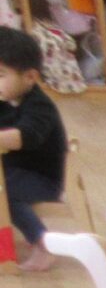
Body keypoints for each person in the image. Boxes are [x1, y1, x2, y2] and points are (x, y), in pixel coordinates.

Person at [0, 26, 66, 274]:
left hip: (42, 180)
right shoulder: (3, 99)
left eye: (0, 75)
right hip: (11, 172)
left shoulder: (39, 106)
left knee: (3, 193)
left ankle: (43, 244)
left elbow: (23, 137)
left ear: (29, 77)